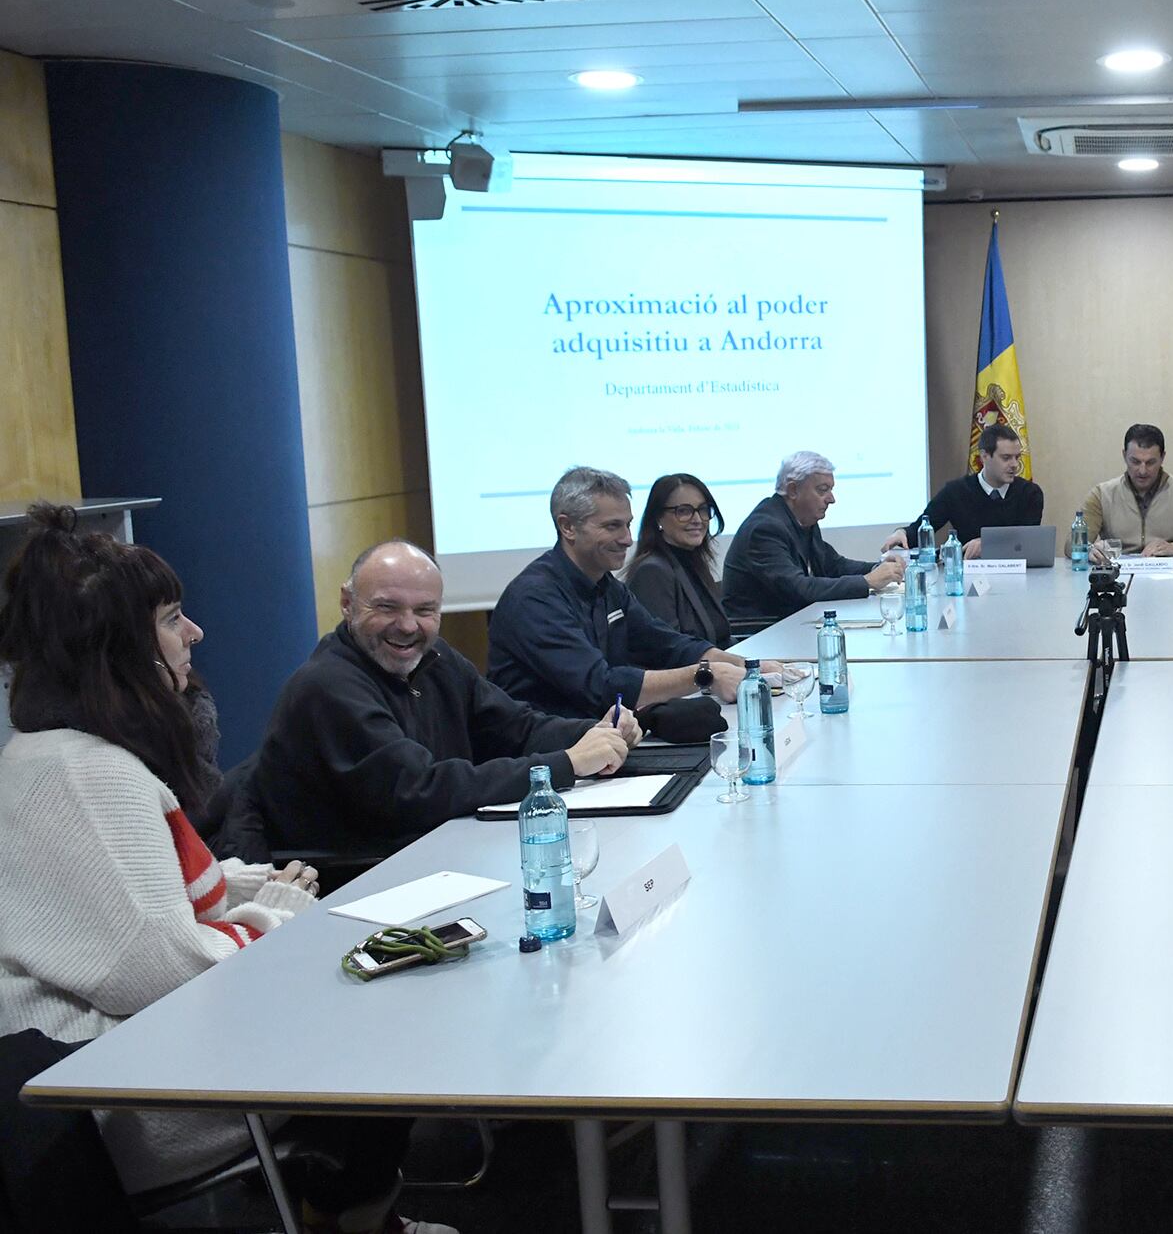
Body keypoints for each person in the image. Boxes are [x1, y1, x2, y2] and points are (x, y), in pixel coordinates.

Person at [0, 506, 453, 1234]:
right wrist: (272, 910)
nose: (195, 634)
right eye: (174, 618)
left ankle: (344, 1210)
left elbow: (129, 894)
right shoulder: (91, 771)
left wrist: (246, 890)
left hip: (93, 1067)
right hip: (122, 1097)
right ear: (118, 645)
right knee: (384, 1024)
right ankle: (358, 1218)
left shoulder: (51, 751)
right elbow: (160, 968)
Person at [242, 540, 636, 859]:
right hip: (358, 881)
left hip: (437, 853)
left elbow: (517, 727)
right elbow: (419, 789)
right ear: (347, 603)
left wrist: (597, 733)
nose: (408, 626)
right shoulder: (328, 685)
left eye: (425, 610)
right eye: (387, 607)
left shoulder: (435, 659)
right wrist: (566, 764)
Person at [489, 466, 758, 718]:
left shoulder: (606, 586)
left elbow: (665, 643)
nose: (628, 539)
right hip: (550, 754)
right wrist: (705, 674)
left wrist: (749, 668)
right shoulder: (534, 598)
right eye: (612, 526)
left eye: (627, 525)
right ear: (568, 527)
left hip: (602, 736)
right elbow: (598, 685)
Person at [722, 451, 905, 620]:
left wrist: (876, 568)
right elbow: (799, 589)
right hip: (761, 633)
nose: (831, 499)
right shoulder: (764, 529)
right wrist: (867, 582)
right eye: (822, 490)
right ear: (793, 490)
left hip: (793, 622)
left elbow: (834, 565)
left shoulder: (803, 520)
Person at [880, 423, 1044, 559]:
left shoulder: (1029, 493)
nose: (1014, 465)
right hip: (966, 576)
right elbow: (923, 527)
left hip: (1018, 577)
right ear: (984, 456)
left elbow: (1026, 542)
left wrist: (987, 544)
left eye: (1017, 457)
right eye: (1006, 458)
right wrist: (900, 533)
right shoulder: (956, 491)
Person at [624, 472, 734, 649]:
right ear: (658, 517)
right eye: (684, 511)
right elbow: (667, 651)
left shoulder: (693, 561)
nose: (697, 519)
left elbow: (720, 637)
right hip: (693, 674)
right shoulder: (652, 572)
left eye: (703, 509)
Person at [1082, 423, 1173, 561]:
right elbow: (1072, 545)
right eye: (1135, 462)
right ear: (1124, 456)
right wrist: (1089, 550)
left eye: (1150, 463)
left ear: (1162, 458)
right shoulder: (1102, 494)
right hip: (1117, 576)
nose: (1142, 471)